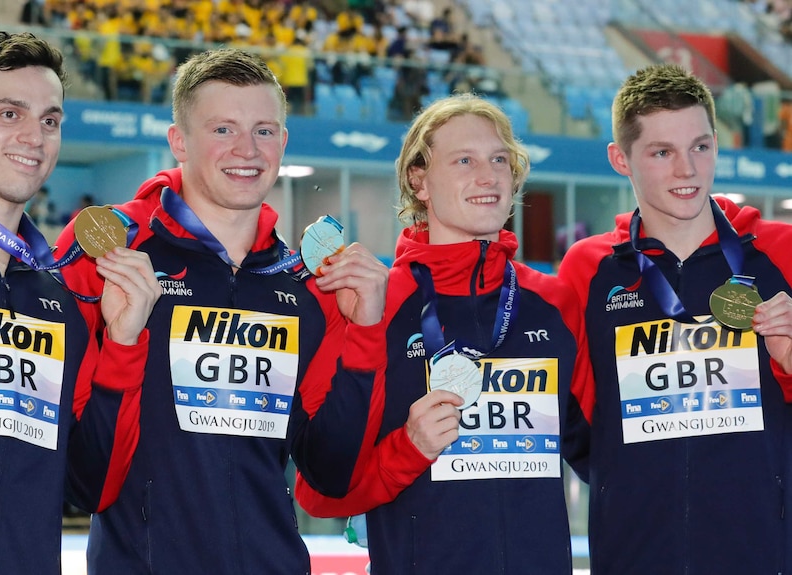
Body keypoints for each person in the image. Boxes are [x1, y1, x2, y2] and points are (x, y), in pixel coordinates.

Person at [54, 47, 389, 574]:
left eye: (263, 130)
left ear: (283, 141)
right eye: (222, 129)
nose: (247, 149)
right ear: (179, 141)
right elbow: (81, 477)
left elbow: (330, 473)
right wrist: (123, 342)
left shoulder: (308, 285)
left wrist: (367, 332)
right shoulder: (110, 251)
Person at [295, 93, 593, 574]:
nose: (489, 175)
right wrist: (408, 449)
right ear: (419, 180)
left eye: (500, 159)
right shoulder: (373, 303)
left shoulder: (554, 302)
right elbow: (322, 490)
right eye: (464, 160)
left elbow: (602, 458)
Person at [0, 31, 161, 574]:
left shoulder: (60, 295)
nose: (34, 136)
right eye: (10, 114)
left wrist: (124, 343)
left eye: (50, 120)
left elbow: (92, 484)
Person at [558, 63, 792, 574]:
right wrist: (629, 485)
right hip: (635, 549)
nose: (687, 170)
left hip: (763, 548)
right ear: (621, 159)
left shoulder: (781, 251)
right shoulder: (588, 268)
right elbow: (574, 417)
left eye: (700, 147)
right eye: (662, 152)